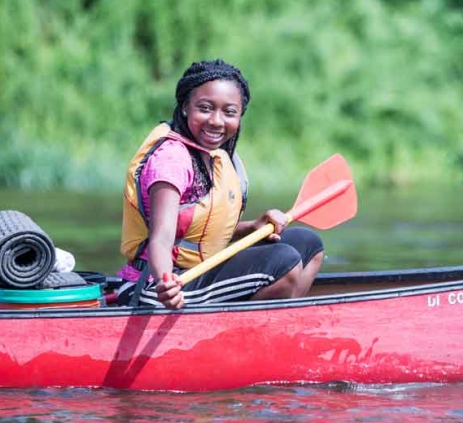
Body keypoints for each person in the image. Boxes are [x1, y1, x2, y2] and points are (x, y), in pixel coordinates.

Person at [116, 59, 324, 309]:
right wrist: (165, 281)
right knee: (284, 261)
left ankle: (280, 329)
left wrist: (253, 227)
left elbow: (199, 233)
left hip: (197, 272)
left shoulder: (215, 156)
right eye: (205, 108)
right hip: (157, 287)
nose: (216, 121)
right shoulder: (171, 161)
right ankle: (247, 338)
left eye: (229, 112)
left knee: (307, 244)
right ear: (185, 107)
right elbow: (161, 238)